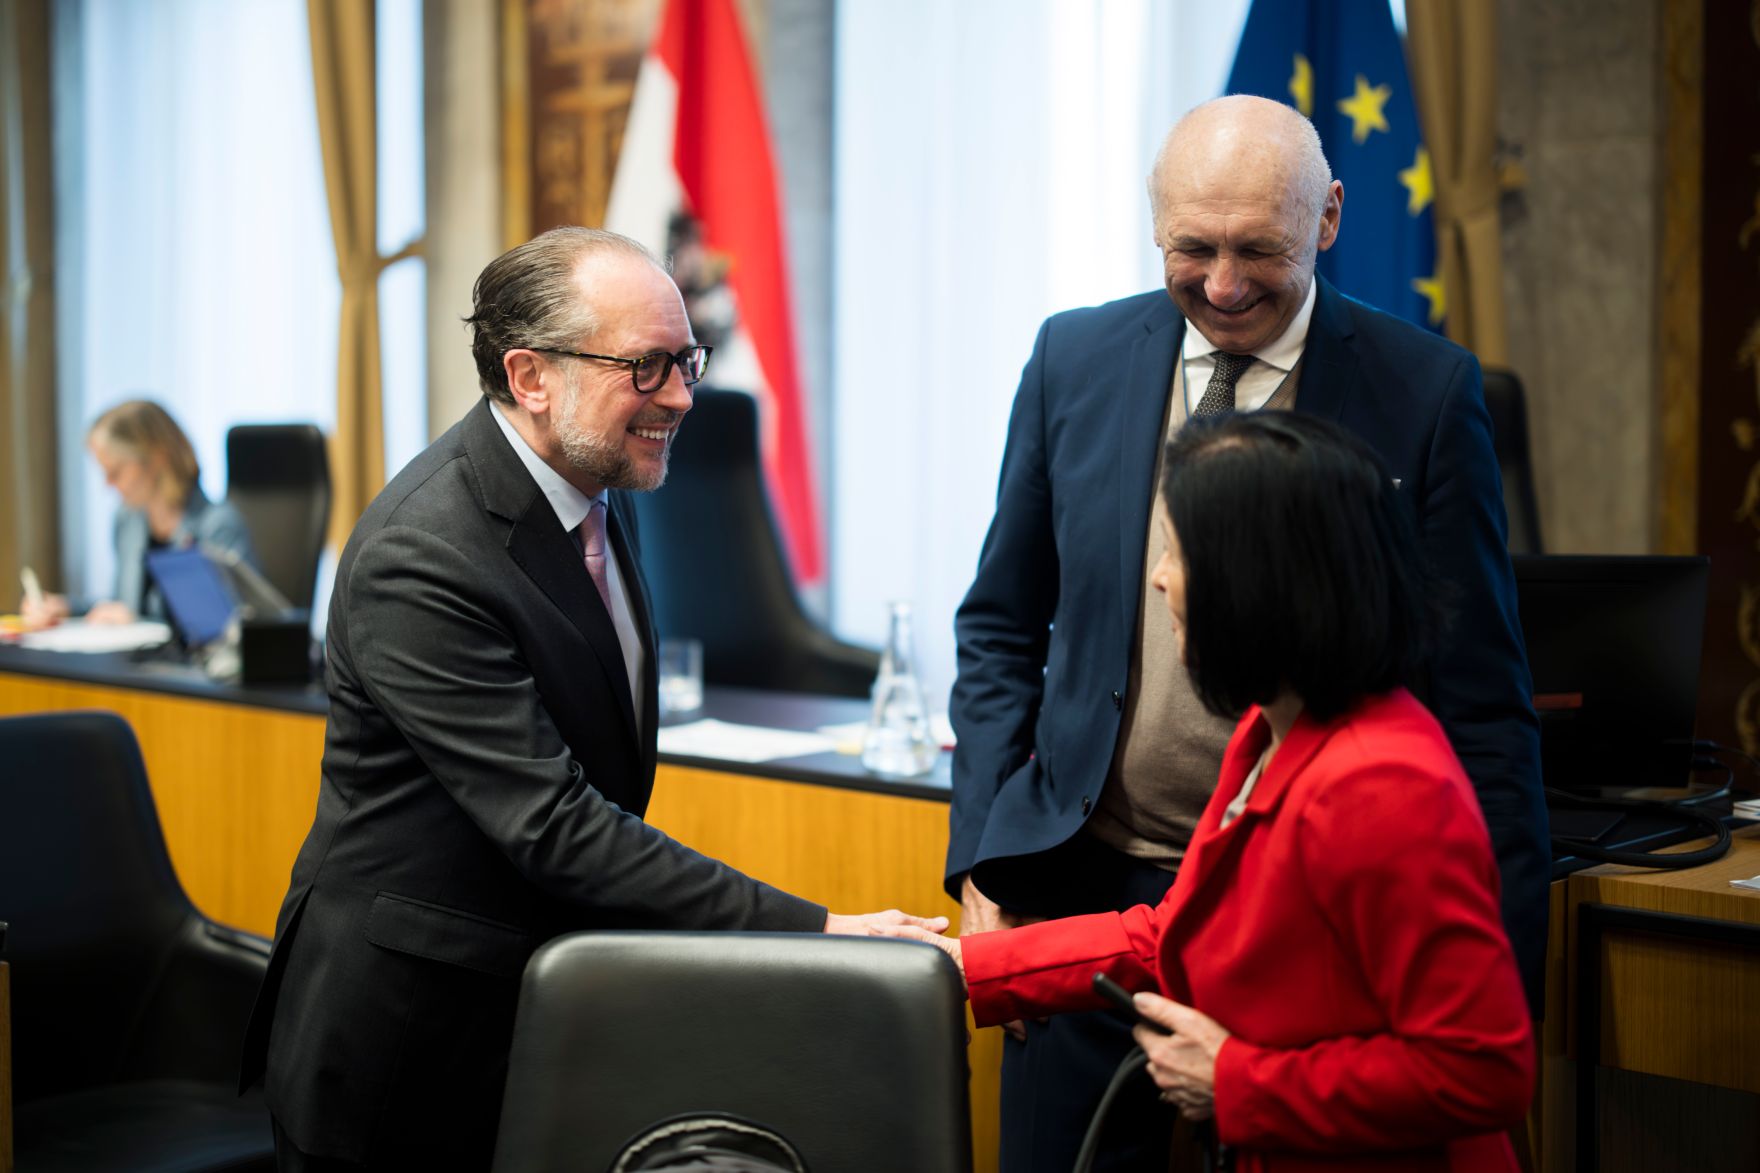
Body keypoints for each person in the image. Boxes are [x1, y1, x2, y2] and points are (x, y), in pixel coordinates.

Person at [239, 227, 946, 1170]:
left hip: (538, 1001)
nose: (685, 396)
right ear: (531, 376)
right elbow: (554, 823)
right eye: (647, 366)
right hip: (406, 1032)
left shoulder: (601, 478)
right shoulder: (424, 552)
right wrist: (820, 929)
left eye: (686, 359)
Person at [947, 95, 1547, 1171]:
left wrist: (1504, 984)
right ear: (1152, 225)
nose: (1222, 285)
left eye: (1257, 249)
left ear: (1325, 218)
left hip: (1302, 912)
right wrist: (979, 883)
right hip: (1084, 877)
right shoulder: (1070, 358)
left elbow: (1481, 700)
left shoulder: (1422, 389)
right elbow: (1000, 624)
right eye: (1193, 248)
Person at [899, 411, 1535, 1171]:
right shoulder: (1271, 729)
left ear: (1258, 583)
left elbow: (1481, 1072)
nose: (1160, 574)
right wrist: (972, 969)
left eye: (1178, 550)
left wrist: (1238, 1080)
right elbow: (1178, 934)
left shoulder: (1385, 785)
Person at [20, 399, 256, 628]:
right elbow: (123, 605)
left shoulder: (218, 525)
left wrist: (139, 622)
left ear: (157, 458)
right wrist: (68, 609)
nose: (108, 484)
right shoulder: (128, 521)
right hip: (134, 664)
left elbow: (231, 627)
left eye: (116, 471)